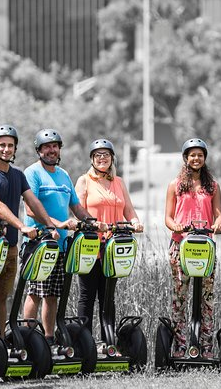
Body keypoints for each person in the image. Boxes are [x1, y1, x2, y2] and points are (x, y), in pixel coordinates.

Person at [0, 124, 59, 336]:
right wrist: (21, 226)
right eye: (2, 145)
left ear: (15, 148)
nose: (6, 149)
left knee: (1, 298)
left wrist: (50, 225)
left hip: (10, 246)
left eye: (10, 145)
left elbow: (33, 201)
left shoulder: (18, 175)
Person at [22, 129, 97, 346]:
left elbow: (76, 207)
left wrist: (93, 222)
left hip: (61, 245)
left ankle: (48, 339)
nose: (51, 150)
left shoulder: (63, 175)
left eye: (55, 146)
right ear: (39, 150)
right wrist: (56, 223)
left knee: (52, 294)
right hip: (39, 244)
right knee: (35, 292)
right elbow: (30, 209)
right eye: (47, 147)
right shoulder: (32, 173)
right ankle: (28, 337)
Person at [74, 138, 143, 347]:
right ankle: (84, 343)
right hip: (90, 247)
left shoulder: (118, 182)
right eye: (98, 155)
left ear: (112, 158)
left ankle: (108, 342)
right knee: (87, 296)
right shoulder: (84, 181)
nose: (102, 158)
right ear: (92, 159)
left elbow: (128, 209)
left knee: (107, 297)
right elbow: (78, 212)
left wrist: (135, 222)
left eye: (106, 155)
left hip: (114, 248)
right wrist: (94, 225)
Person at [164, 138, 221, 359]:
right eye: (192, 155)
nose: (196, 158)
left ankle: (206, 346)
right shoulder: (175, 185)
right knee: (180, 298)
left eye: (200, 155)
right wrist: (176, 226)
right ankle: (180, 346)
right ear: (185, 158)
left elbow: (219, 215)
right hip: (180, 245)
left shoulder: (213, 186)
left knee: (207, 298)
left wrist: (218, 224)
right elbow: (168, 217)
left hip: (205, 246)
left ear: (204, 158)